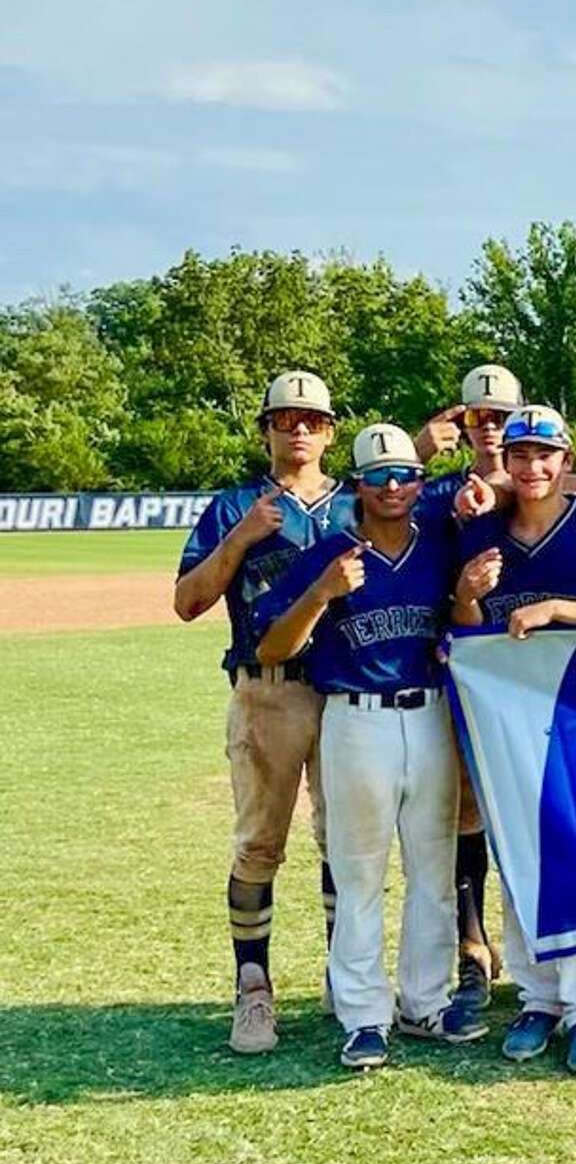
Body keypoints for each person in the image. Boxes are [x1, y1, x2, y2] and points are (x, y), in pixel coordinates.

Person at [255, 425, 482, 1068]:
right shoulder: (329, 553)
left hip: (430, 713)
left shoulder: (438, 542)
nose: (393, 487)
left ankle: (425, 1002)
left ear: (419, 481)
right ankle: (362, 1015)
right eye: (379, 476)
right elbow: (273, 647)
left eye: (405, 475)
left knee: (434, 871)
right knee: (359, 876)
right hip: (355, 719)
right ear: (358, 485)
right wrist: (322, 593)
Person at [452, 405, 576, 1074]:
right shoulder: (482, 534)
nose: (533, 468)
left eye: (546, 456)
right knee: (519, 852)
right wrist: (465, 595)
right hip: (507, 718)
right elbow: (456, 626)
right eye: (521, 456)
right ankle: (537, 996)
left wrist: (560, 610)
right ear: (504, 464)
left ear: (566, 463)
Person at [174, 369, 353, 1053]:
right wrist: (242, 537)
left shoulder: (351, 503)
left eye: (311, 419)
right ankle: (253, 990)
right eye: (285, 419)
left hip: (342, 685)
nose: (299, 429)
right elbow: (188, 601)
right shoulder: (235, 505)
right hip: (267, 688)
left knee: (346, 839)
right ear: (267, 430)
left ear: (331, 431)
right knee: (260, 843)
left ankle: (346, 974)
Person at [417, 363, 524, 1014]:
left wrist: (506, 486)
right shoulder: (440, 496)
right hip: (460, 668)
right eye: (478, 417)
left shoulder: (547, 482)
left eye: (501, 418)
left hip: (533, 674)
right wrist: (422, 449)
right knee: (465, 813)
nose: (488, 429)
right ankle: (472, 944)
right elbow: (359, 503)